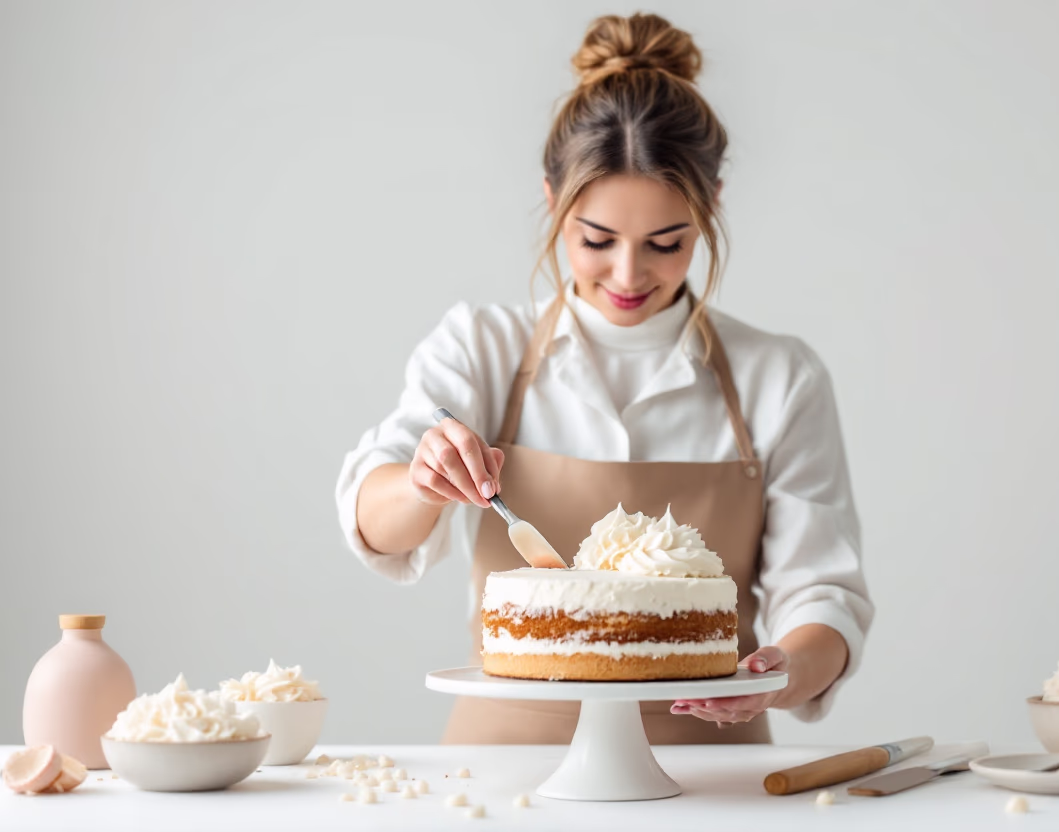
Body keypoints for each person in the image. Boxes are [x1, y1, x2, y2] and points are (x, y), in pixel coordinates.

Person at [336, 12, 873, 744]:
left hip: (712, 772)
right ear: (553, 201)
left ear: (711, 206)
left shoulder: (779, 376)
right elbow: (375, 520)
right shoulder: (480, 345)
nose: (627, 274)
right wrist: (421, 481)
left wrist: (777, 673)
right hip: (503, 770)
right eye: (596, 239)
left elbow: (825, 595)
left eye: (666, 242)